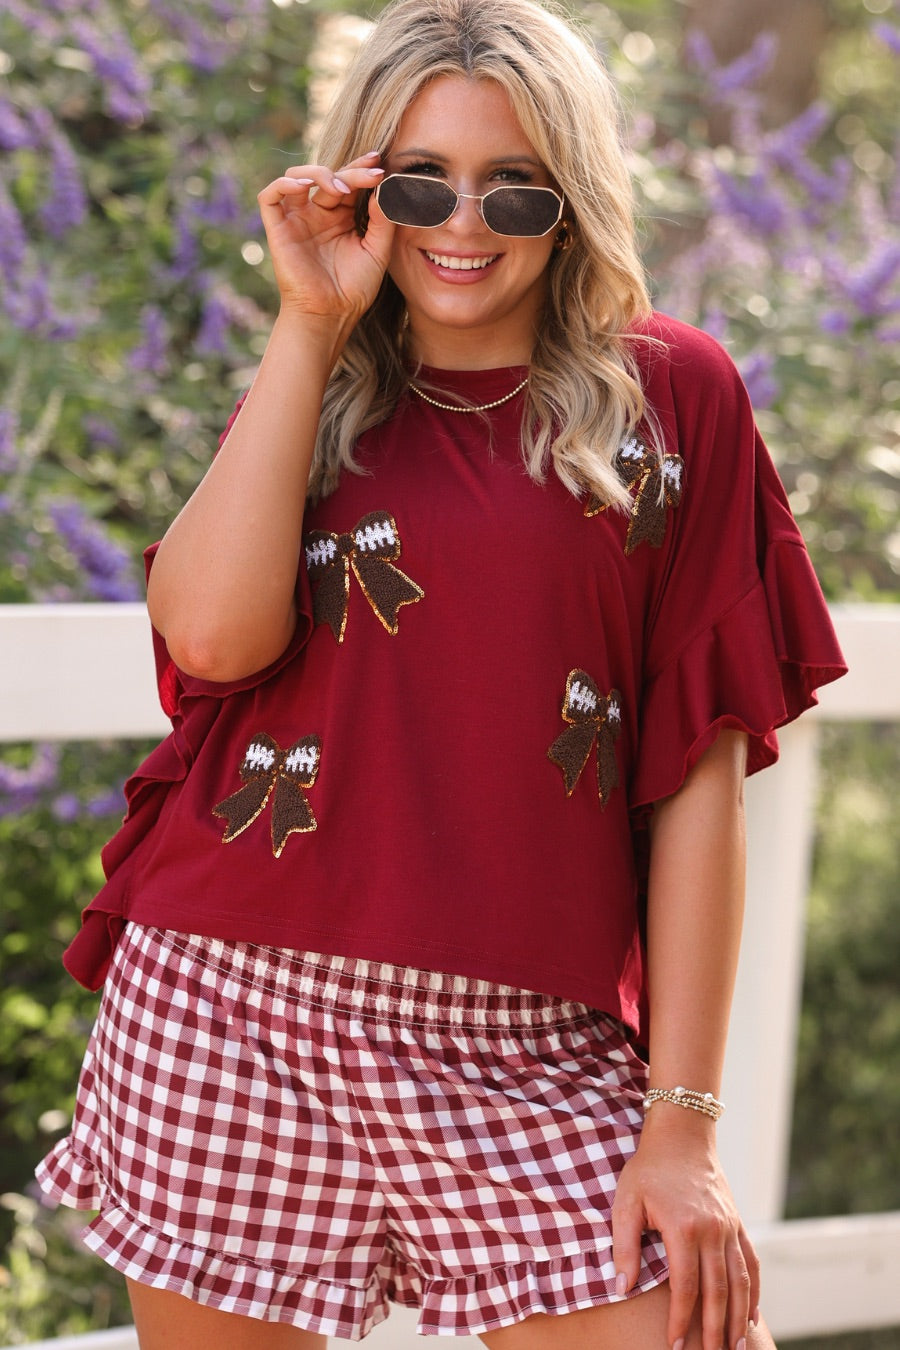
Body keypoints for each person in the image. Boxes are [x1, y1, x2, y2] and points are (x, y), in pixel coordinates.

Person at [36, 1, 847, 1347]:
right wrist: (307, 324)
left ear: (571, 198)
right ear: (365, 188)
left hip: (533, 1047)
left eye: (512, 188)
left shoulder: (676, 399)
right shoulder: (319, 389)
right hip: (235, 1012)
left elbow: (699, 780)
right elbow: (214, 644)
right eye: (420, 181)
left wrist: (682, 1126)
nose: (462, 224)